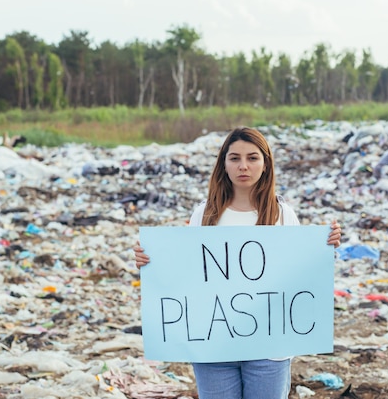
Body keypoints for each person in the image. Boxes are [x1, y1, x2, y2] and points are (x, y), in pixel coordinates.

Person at [134, 126, 342, 399]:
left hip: (270, 348)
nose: (243, 165)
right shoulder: (205, 213)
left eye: (252, 158)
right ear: (224, 164)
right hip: (214, 346)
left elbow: (299, 271)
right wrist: (151, 263)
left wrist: (325, 249)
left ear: (265, 164)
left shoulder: (282, 214)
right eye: (234, 158)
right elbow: (189, 271)